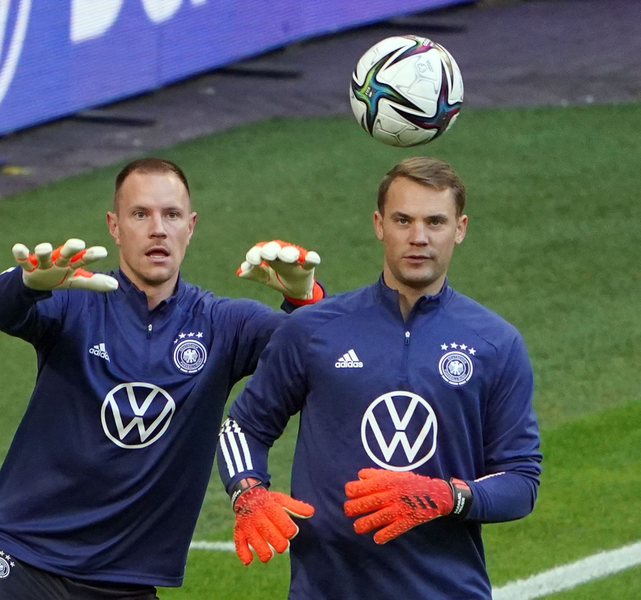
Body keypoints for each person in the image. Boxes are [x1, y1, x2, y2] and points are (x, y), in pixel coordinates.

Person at [0, 157, 324, 600]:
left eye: (172, 215)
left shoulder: (224, 324)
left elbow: (315, 356)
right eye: (140, 214)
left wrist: (304, 299)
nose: (157, 229)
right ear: (115, 225)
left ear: (191, 226)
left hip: (125, 583)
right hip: (20, 558)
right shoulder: (76, 302)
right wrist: (28, 283)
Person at [217, 156, 542, 600]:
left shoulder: (495, 344)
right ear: (378, 224)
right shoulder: (313, 329)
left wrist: (447, 496)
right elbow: (244, 427)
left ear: (460, 228)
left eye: (436, 222)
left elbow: (520, 481)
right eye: (403, 220)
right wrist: (248, 494)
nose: (419, 238)